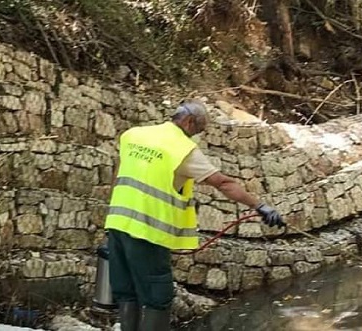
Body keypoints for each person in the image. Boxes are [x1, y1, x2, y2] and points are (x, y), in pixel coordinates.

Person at [104, 99, 285, 331]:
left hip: (117, 225)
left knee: (127, 293)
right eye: (197, 130)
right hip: (146, 233)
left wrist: (111, 217)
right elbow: (223, 183)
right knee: (158, 298)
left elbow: (118, 174)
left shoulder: (134, 135)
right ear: (189, 122)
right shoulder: (183, 149)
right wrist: (261, 206)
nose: (196, 136)